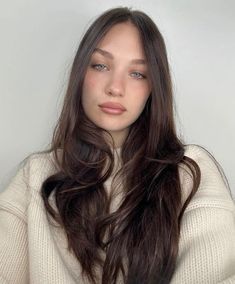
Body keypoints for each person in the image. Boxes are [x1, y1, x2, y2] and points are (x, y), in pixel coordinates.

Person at [0, 7, 234, 284]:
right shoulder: (35, 175)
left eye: (137, 74)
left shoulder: (189, 172)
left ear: (153, 89)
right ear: (80, 76)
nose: (116, 87)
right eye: (100, 66)